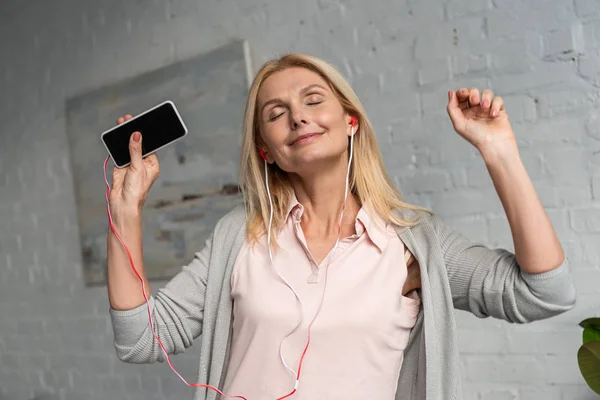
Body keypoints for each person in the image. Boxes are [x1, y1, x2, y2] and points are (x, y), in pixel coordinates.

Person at [106, 53, 577, 400]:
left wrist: (499, 152)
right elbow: (143, 339)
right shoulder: (240, 237)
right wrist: (126, 210)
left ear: (350, 121)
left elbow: (544, 293)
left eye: (313, 100)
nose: (298, 116)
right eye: (275, 113)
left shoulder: (414, 243)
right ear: (266, 149)